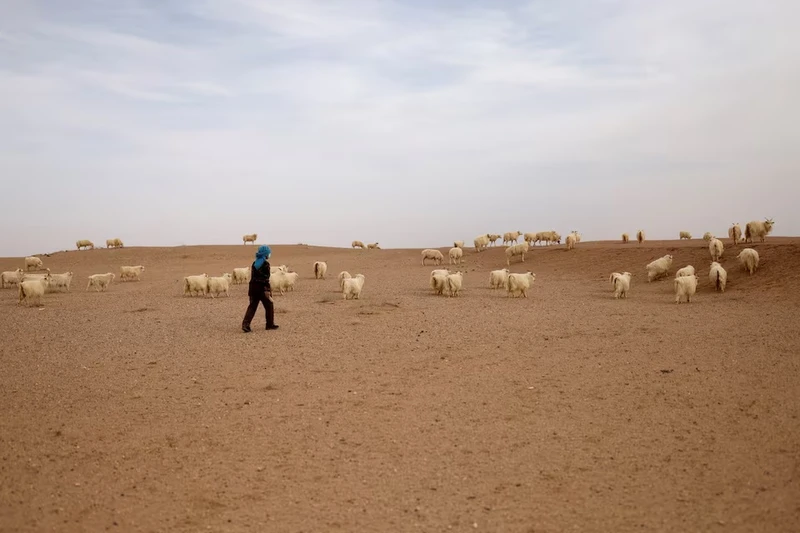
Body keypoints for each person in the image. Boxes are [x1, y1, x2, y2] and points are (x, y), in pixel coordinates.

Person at [242, 244, 279, 333]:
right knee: (269, 305)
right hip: (262, 289)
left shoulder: (255, 263)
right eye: (268, 253)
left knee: (252, 307)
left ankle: (245, 325)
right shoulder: (266, 264)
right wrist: (267, 290)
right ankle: (269, 324)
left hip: (253, 288)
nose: (269, 255)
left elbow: (253, 277)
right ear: (265, 254)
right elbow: (266, 278)